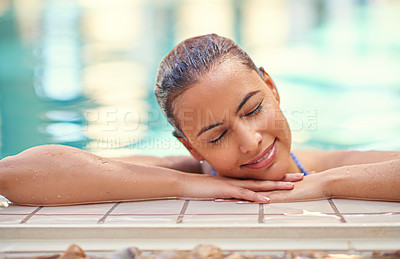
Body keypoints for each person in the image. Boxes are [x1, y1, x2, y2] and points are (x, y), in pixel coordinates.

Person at [0, 34, 399, 206]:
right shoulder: (186, 170)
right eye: (216, 134)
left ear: (272, 89)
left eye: (254, 109)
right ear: (190, 145)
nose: (250, 142)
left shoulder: (322, 165)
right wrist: (187, 184)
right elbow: (15, 174)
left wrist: (325, 184)